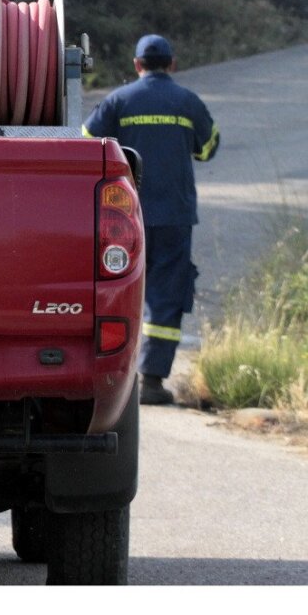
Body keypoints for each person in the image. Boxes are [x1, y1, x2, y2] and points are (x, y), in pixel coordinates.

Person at [84, 34, 220, 405]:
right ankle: (153, 382)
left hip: (122, 216)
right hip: (174, 216)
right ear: (172, 64)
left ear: (136, 65)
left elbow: (84, 142)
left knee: (115, 290)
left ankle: (108, 379)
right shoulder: (187, 101)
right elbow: (208, 148)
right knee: (165, 298)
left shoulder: (119, 100)